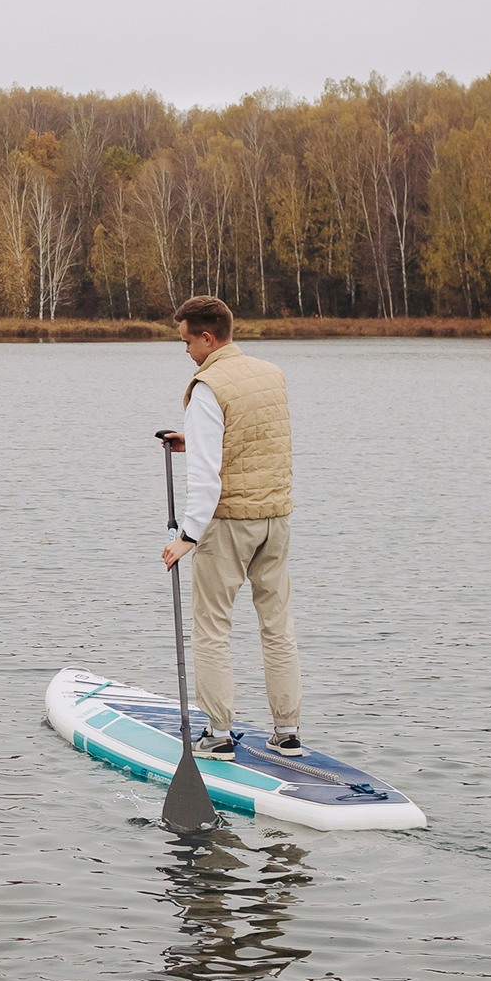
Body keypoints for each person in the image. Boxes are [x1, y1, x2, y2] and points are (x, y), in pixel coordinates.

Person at [157, 294, 303, 760]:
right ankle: (287, 733)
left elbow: (205, 478)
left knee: (212, 630)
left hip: (228, 523)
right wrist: (195, 439)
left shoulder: (206, 387)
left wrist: (186, 537)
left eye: (187, 341)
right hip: (276, 519)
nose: (185, 351)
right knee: (277, 627)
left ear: (207, 336)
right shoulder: (270, 373)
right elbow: (252, 437)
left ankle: (218, 735)